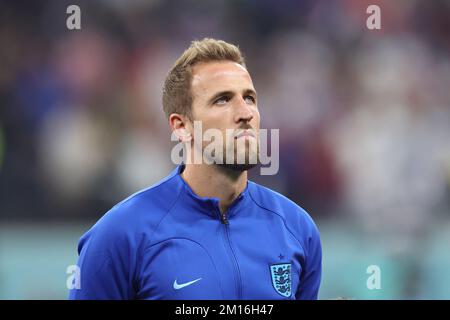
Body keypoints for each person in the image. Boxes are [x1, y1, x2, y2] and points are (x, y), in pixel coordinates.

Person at [69, 38, 322, 300]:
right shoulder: (120, 236)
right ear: (181, 126)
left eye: (249, 97)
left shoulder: (298, 228)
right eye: (223, 100)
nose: (245, 112)